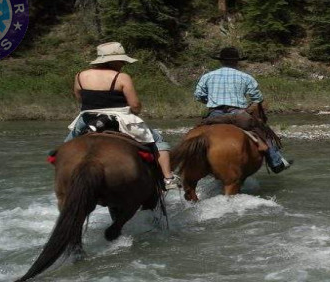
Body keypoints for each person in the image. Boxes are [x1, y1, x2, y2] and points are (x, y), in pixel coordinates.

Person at [67, 42, 181, 190]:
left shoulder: (80, 76)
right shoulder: (122, 77)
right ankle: (168, 178)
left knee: (65, 148)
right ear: (113, 61)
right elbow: (134, 105)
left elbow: (80, 98)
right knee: (158, 140)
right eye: (121, 61)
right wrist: (135, 111)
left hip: (87, 119)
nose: (123, 64)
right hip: (119, 119)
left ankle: (67, 180)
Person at [194, 47, 291, 173]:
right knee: (262, 131)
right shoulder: (245, 77)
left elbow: (198, 95)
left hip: (215, 114)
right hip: (238, 113)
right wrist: (249, 110)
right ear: (236, 61)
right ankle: (276, 162)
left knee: (195, 134)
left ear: (221, 61)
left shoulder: (207, 76)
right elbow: (257, 98)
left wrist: (210, 101)